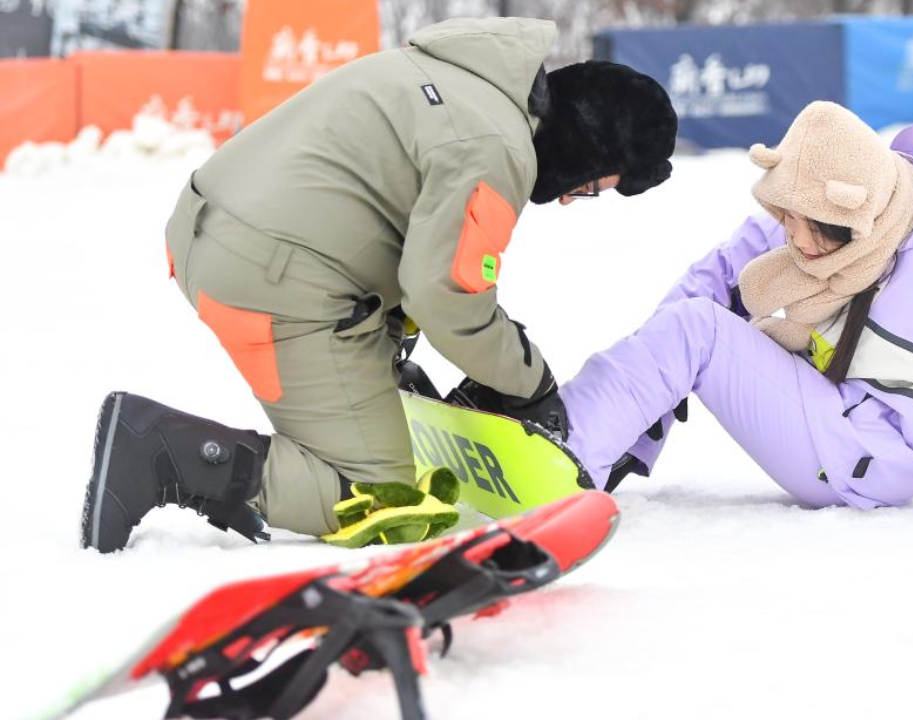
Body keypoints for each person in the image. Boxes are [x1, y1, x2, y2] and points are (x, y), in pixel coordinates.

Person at [80, 17, 678, 553]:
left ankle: (360, 386)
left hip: (214, 229)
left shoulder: (459, 76)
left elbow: (390, 218)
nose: (572, 198)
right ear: (588, 147)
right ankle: (161, 452)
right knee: (382, 497)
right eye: (593, 186)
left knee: (389, 369)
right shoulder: (494, 146)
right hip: (267, 273)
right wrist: (529, 383)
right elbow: (447, 296)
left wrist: (394, 337)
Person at [554, 101, 913, 520]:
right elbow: (713, 283)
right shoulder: (811, 213)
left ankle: (563, 458)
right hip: (828, 407)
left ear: (860, 214)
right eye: (787, 220)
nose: (798, 242)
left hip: (868, 454)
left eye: (813, 228)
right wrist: (636, 420)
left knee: (696, 330)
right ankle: (573, 438)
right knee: (692, 321)